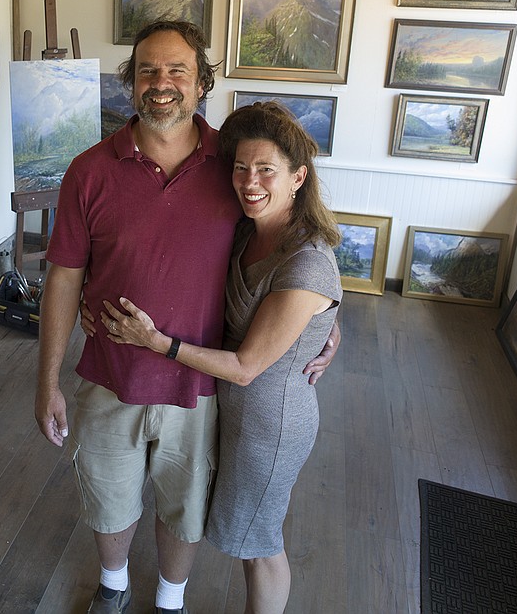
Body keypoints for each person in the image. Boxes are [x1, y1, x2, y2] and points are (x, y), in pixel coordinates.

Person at [33, 21, 338, 614]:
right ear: (131, 81)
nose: (161, 83)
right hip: (109, 373)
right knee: (110, 492)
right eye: (147, 69)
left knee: (184, 501)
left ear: (201, 81)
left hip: (200, 383)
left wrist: (327, 327)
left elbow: (296, 248)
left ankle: (171, 600)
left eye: (177, 70)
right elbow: (65, 276)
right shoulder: (88, 171)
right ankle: (113, 585)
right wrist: (46, 381)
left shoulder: (234, 165)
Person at [100, 101, 342, 614]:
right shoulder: (248, 230)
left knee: (260, 547)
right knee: (246, 536)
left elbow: (248, 366)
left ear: (299, 177)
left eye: (266, 171)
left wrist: (157, 342)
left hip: (270, 423)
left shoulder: (307, 259)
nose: (249, 181)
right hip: (232, 413)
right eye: (240, 167)